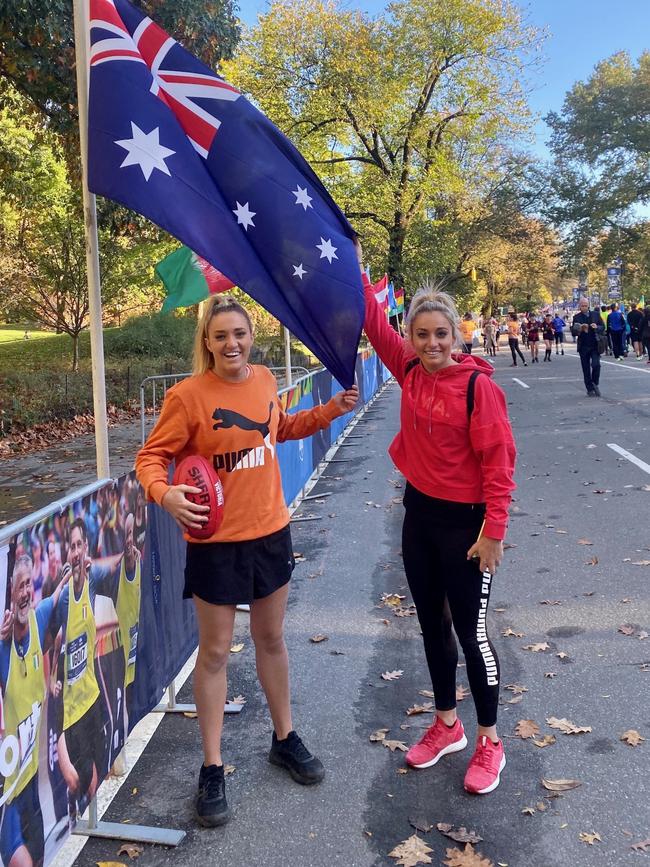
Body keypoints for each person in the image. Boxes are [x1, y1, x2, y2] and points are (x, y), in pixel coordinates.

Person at [135, 295, 358, 827]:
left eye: (239, 333)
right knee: (213, 653)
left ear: (249, 335)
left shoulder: (261, 379)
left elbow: (278, 429)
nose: (231, 344)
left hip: (271, 533)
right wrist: (164, 495)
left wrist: (331, 409)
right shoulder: (187, 396)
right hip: (216, 545)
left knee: (271, 639)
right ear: (207, 343)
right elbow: (150, 458)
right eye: (220, 336)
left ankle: (284, 737)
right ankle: (212, 766)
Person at [357, 244, 516, 795]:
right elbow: (373, 322)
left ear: (457, 335)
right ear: (412, 338)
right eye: (420, 335)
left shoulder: (479, 389)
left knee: (473, 634)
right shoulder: (407, 370)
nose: (430, 344)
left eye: (440, 335)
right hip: (419, 516)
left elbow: (500, 465)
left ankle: (490, 740)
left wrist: (493, 531)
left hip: (468, 527)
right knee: (431, 626)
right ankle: (447, 725)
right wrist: (352, 268)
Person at [0, 554, 69, 867]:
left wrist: (74, 573)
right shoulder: (2, 649)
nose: (25, 591)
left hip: (31, 788)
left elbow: (55, 597)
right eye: (19, 586)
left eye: (29, 584)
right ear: (10, 594)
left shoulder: (40, 617)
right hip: (8, 798)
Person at [571, 297, 605, 397]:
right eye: (582, 306)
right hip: (584, 346)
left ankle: (595, 383)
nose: (584, 308)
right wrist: (580, 329)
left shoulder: (595, 314)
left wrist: (597, 327)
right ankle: (589, 388)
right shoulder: (576, 317)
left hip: (595, 344)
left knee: (596, 365)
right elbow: (574, 331)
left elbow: (603, 327)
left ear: (588, 305)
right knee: (586, 368)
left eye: (586, 306)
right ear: (579, 306)